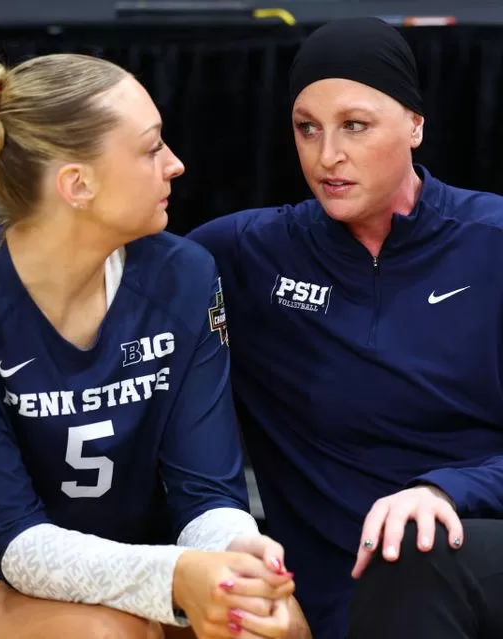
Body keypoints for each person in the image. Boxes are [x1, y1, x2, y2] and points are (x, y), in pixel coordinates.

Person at [0, 53, 311, 639]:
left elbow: (206, 489)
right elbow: (12, 541)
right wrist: (177, 576)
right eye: (151, 148)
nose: (175, 164)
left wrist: (239, 559)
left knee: (273, 625)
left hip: (140, 571)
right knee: (101, 634)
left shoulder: (186, 273)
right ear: (77, 184)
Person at [185, 17, 503, 639]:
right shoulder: (247, 254)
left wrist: (446, 491)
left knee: (418, 553)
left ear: (415, 124)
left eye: (354, 126)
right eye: (308, 129)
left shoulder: (492, 243)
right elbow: (108, 275)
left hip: (475, 550)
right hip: (334, 592)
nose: (327, 156)